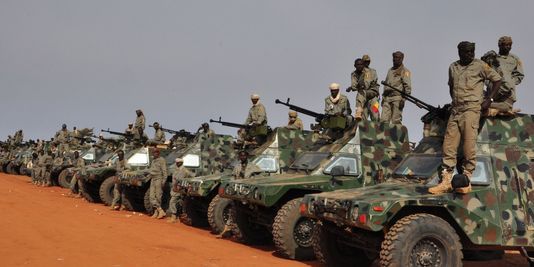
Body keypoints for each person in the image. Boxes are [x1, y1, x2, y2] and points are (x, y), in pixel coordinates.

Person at [429, 41, 501, 195]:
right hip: (456, 110)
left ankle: (466, 180)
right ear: (459, 52)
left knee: (468, 146)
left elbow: (497, 80)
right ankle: (446, 181)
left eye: (472, 51)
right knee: (449, 145)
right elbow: (451, 87)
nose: (470, 54)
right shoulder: (453, 67)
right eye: (467, 52)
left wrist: (489, 100)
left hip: (471, 109)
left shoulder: (480, 65)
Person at [218, 150, 262, 238]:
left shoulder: (254, 167)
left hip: (248, 192)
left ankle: (246, 232)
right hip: (238, 192)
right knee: (233, 210)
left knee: (250, 212)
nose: (242, 157)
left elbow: (259, 178)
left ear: (247, 156)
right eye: (241, 156)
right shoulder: (237, 167)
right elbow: (233, 177)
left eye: (244, 156)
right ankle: (228, 230)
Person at [485, 36, 525, 116]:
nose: (508, 47)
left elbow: (520, 75)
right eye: (505, 45)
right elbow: (485, 74)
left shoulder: (514, 58)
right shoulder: (492, 58)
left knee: (505, 107)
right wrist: (489, 84)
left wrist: (510, 82)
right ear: (500, 45)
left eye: (509, 45)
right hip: (493, 93)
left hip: (508, 95)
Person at [381, 51, 412, 124]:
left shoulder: (405, 71)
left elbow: (408, 87)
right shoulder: (390, 70)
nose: (395, 59)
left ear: (402, 59)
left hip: (397, 98)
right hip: (387, 98)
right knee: (383, 120)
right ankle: (384, 135)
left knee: (396, 120)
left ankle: (395, 135)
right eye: (394, 57)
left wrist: (403, 100)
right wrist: (383, 98)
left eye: (397, 57)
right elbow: (386, 84)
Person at [167, 158, 194, 223]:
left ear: (181, 163)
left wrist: (177, 188)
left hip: (179, 189)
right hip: (176, 188)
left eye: (178, 162)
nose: (177, 163)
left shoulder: (183, 170)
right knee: (179, 203)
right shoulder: (177, 169)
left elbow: (179, 181)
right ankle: (178, 218)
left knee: (172, 202)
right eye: (176, 162)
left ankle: (173, 217)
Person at [148, 149, 168, 219]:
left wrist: (164, 181)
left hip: (159, 178)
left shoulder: (161, 160)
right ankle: (160, 210)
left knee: (158, 196)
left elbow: (164, 171)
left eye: (156, 152)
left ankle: (157, 212)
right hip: (153, 179)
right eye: (153, 152)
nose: (154, 154)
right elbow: (151, 170)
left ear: (158, 153)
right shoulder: (153, 160)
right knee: (151, 197)